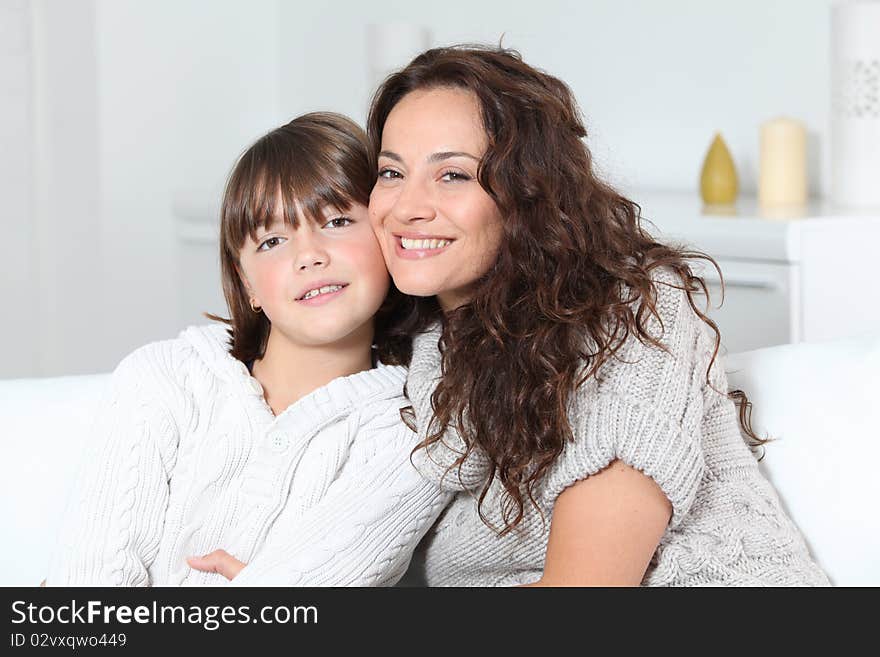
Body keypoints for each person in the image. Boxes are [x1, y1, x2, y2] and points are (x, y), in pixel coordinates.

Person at [367, 45, 830, 586]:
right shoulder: (414, 354)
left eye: (453, 176)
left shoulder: (630, 314)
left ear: (528, 193)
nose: (407, 206)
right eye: (391, 172)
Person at [46, 112, 448, 586]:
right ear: (247, 282)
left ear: (387, 237)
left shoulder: (413, 430)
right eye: (273, 240)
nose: (309, 255)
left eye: (337, 220)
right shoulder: (168, 376)